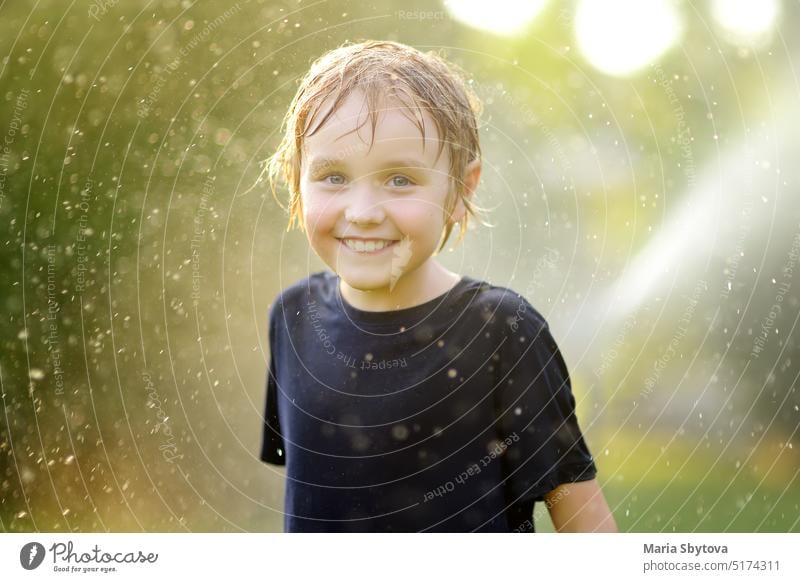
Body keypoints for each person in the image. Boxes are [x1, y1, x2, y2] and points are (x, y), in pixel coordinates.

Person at [259, 39, 617, 533]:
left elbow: (587, 531)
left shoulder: (502, 332)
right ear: (295, 178)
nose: (363, 213)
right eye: (333, 176)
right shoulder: (294, 317)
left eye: (401, 180)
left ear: (462, 188)